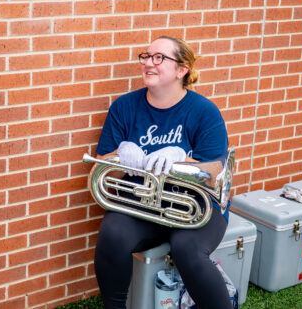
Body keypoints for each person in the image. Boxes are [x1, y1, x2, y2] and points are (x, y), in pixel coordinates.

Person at [93, 35, 231, 309]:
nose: (148, 63)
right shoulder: (124, 107)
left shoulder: (204, 111)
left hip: (195, 207)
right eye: (146, 56)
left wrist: (181, 159)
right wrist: (119, 157)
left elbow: (216, 170)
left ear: (182, 70)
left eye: (159, 58)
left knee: (187, 249)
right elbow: (101, 169)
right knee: (112, 232)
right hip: (142, 205)